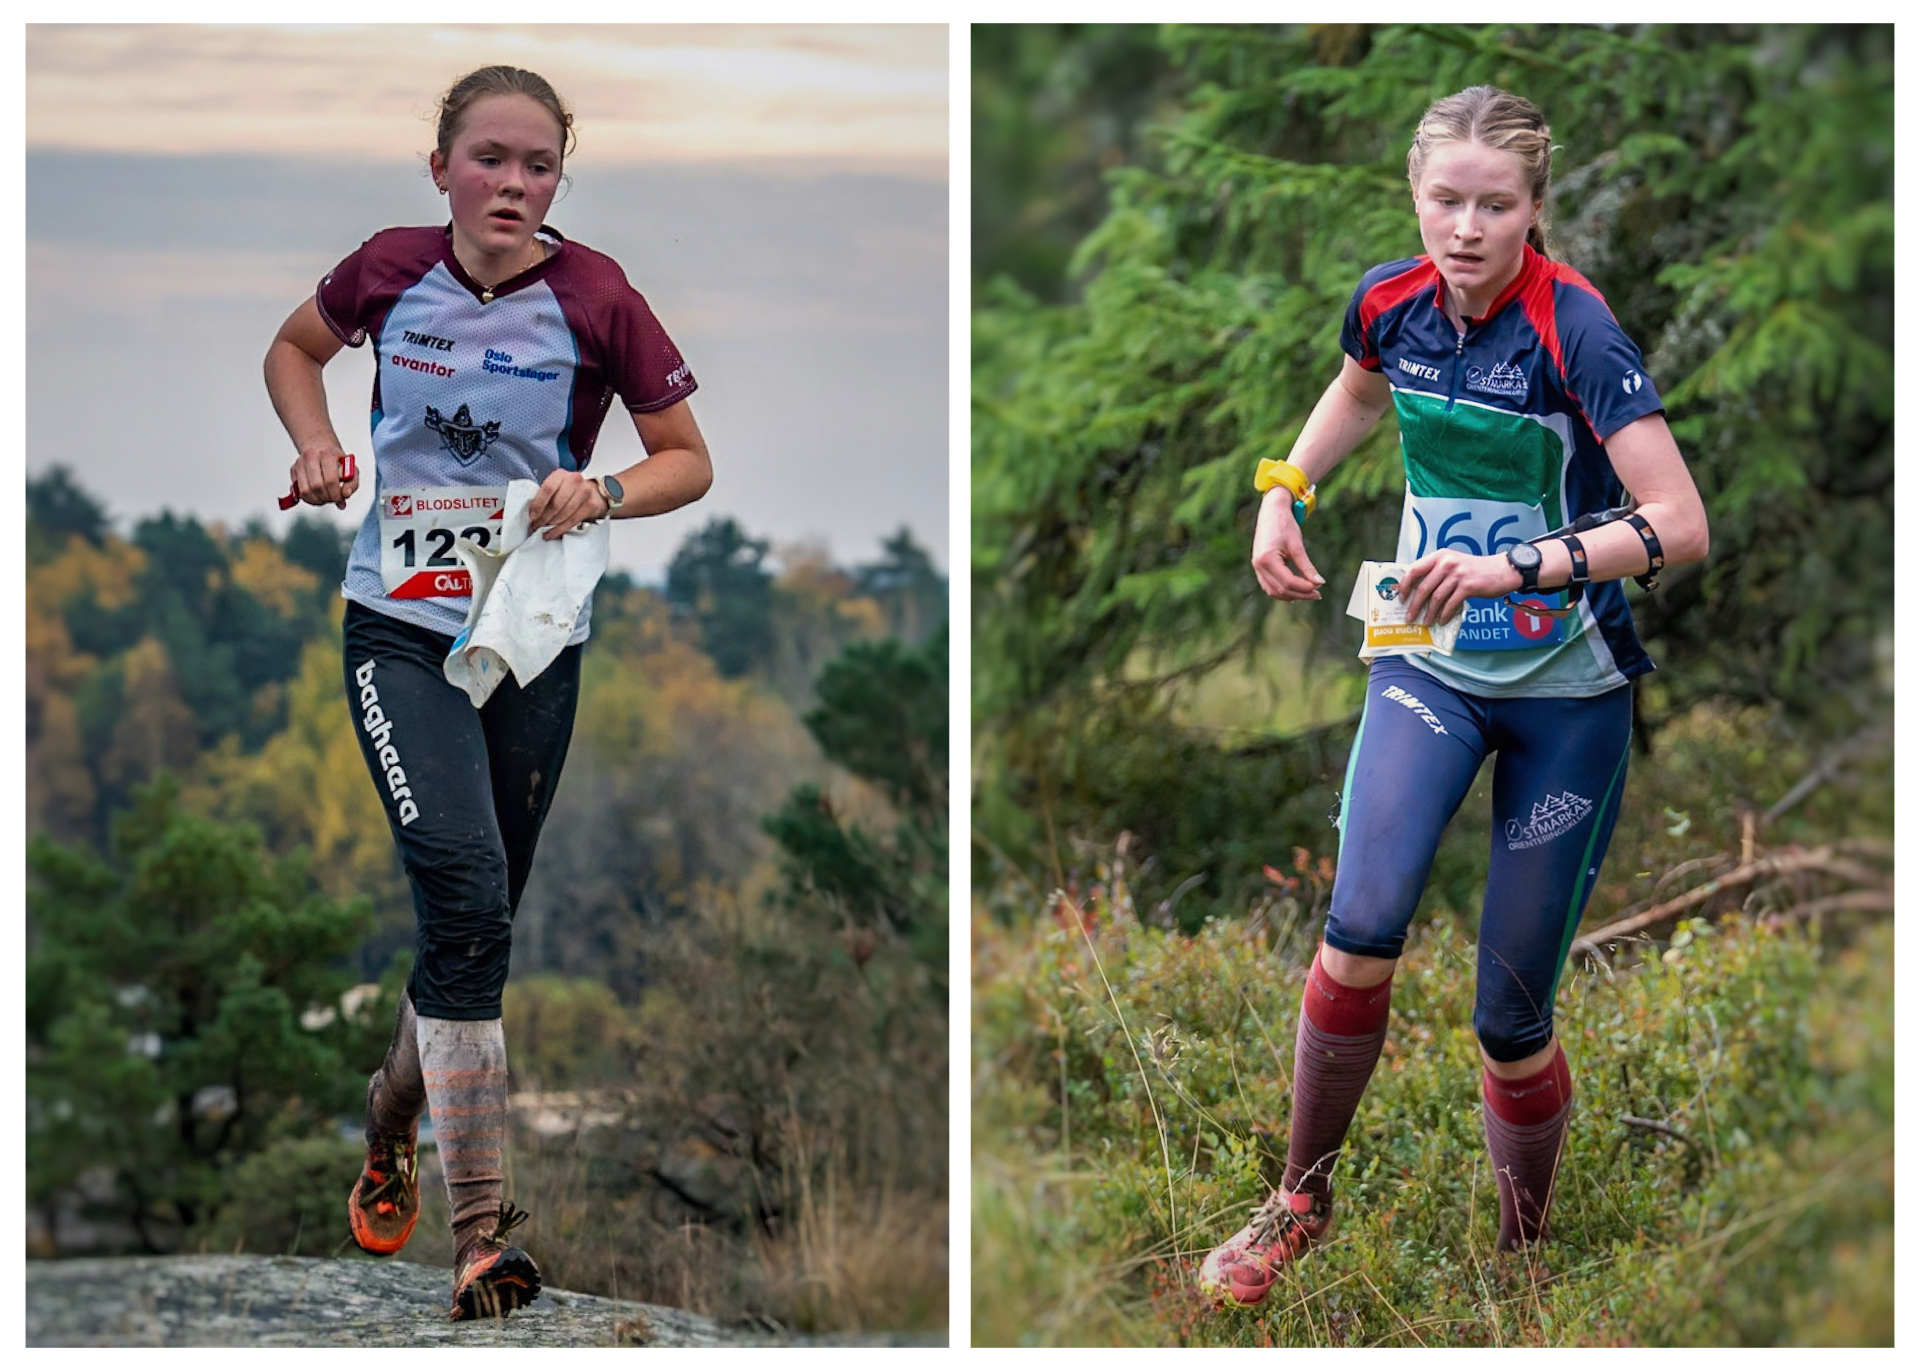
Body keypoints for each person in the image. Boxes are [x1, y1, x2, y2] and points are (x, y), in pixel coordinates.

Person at [1199, 86, 1709, 1307]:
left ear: (1534, 209)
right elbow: (1357, 391)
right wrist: (1284, 490)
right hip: (1426, 661)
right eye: (1446, 201)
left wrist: (1512, 567)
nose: (1467, 228)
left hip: (1567, 694)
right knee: (1360, 926)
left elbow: (1680, 522)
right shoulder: (1390, 301)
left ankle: (1523, 1263)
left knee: (1510, 1018)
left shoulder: (1576, 330)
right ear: (1416, 198)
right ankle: (1297, 1203)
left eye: (1495, 206)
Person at [263, 65, 711, 1320]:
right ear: (442, 168)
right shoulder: (388, 268)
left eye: (539, 166)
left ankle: (388, 1113)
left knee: (479, 924)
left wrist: (601, 490)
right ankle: (481, 1240)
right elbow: (294, 349)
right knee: (464, 898)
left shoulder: (598, 294)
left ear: (559, 180)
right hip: (400, 629)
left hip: (531, 637)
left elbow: (687, 462)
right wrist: (315, 444)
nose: (514, 184)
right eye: (490, 159)